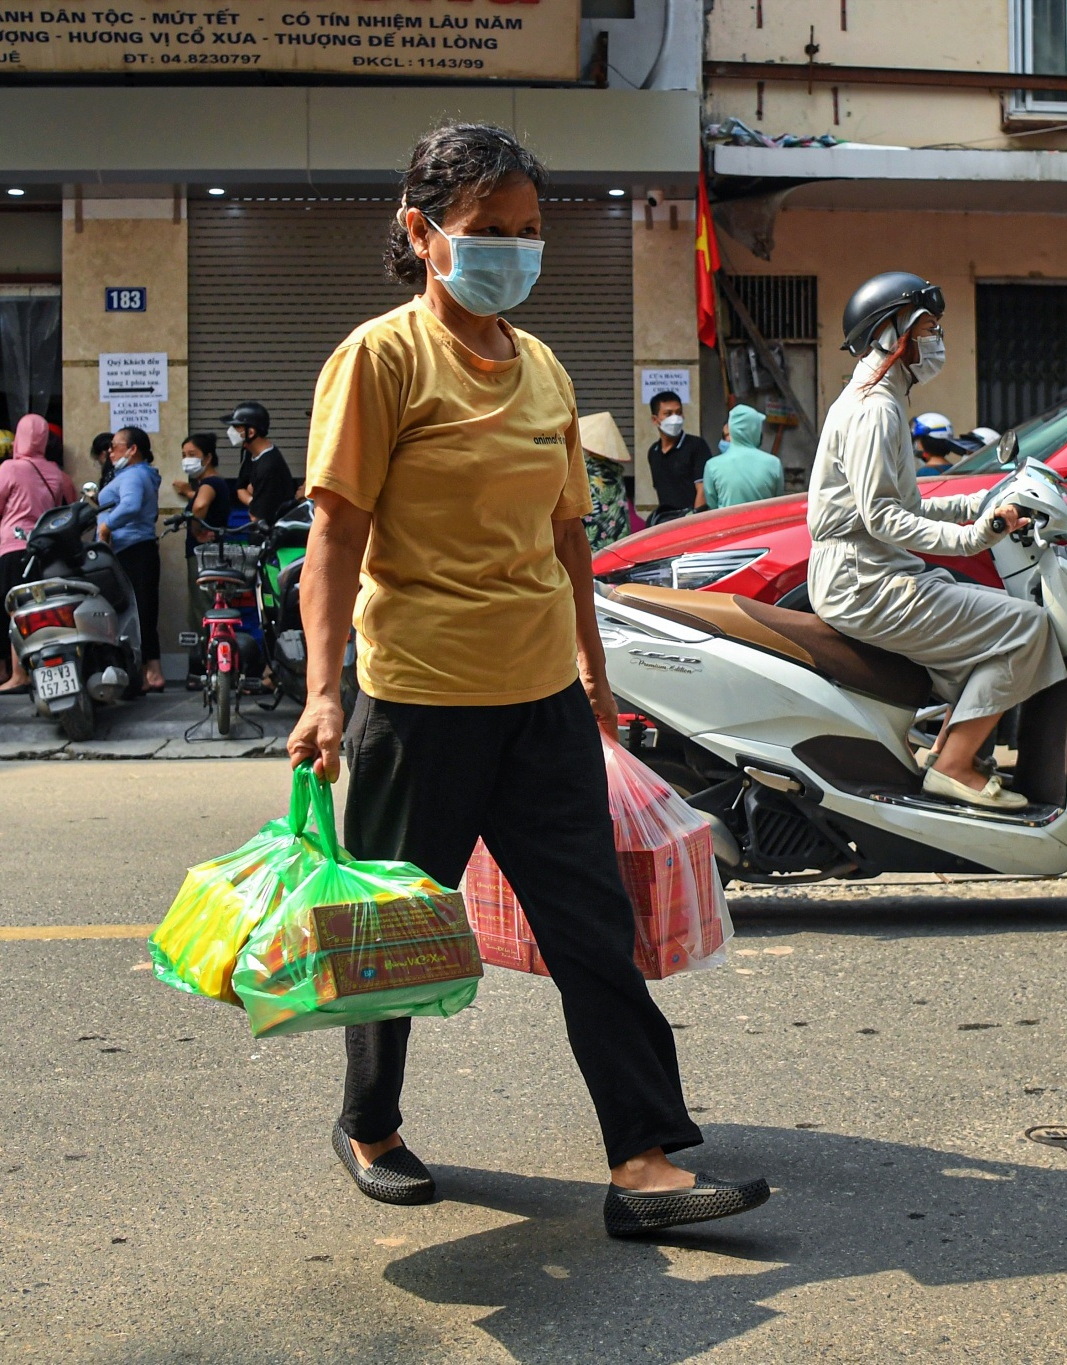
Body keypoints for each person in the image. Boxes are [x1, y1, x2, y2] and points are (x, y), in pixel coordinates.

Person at [287, 121, 767, 1238]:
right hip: (415, 703)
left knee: (592, 929)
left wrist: (595, 683)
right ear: (422, 232)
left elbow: (567, 548)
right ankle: (369, 1125)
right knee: (393, 932)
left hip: (541, 698)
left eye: (527, 231)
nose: (512, 249)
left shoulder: (542, 366)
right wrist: (323, 692)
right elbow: (333, 539)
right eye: (487, 230)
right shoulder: (380, 359)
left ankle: (644, 1163)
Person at [807, 271, 1063, 812]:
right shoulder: (874, 409)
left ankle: (952, 754)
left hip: (870, 570)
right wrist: (974, 536)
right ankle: (954, 766)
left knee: (990, 625)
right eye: (927, 327)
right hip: (866, 579)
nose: (936, 339)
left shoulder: (882, 399)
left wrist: (980, 504)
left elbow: (908, 504)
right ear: (889, 333)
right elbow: (882, 517)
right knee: (1026, 627)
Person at [0, 414, 69, 694]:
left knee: (15, 611)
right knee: (43, 610)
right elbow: (59, 507)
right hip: (45, 550)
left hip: (14, 549)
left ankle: (18, 673)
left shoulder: (10, 468)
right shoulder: (57, 472)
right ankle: (43, 669)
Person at [96, 426, 164, 693]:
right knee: (140, 610)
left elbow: (131, 505)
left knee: (140, 611)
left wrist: (106, 526)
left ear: (133, 449)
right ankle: (149, 671)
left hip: (134, 550)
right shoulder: (132, 474)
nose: (111, 451)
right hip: (131, 550)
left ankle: (152, 673)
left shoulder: (135, 475)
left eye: (116, 445)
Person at [699, 404, 784, 510]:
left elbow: (712, 505)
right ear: (755, 430)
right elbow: (779, 504)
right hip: (764, 526)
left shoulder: (712, 466)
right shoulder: (774, 463)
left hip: (728, 525)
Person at [644, 389, 710, 522]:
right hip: (666, 522)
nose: (675, 418)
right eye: (668, 414)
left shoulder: (696, 446)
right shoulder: (653, 452)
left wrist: (694, 521)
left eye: (678, 413)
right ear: (655, 420)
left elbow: (703, 490)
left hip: (691, 521)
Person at [226, 401, 294, 526]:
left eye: (237, 428)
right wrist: (253, 499)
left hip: (270, 535)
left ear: (251, 432)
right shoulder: (250, 453)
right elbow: (240, 489)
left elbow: (256, 516)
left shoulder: (269, 467)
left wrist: (252, 495)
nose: (231, 431)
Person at [576, 411, 631, 550]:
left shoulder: (580, 468)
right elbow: (621, 513)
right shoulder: (616, 470)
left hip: (589, 541)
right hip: (616, 543)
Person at [170, 431, 236, 538]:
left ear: (208, 458)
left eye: (192, 455)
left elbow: (200, 506)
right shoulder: (215, 482)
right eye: (184, 455)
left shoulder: (210, 482)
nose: (186, 460)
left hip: (204, 549)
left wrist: (197, 533)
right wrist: (189, 493)